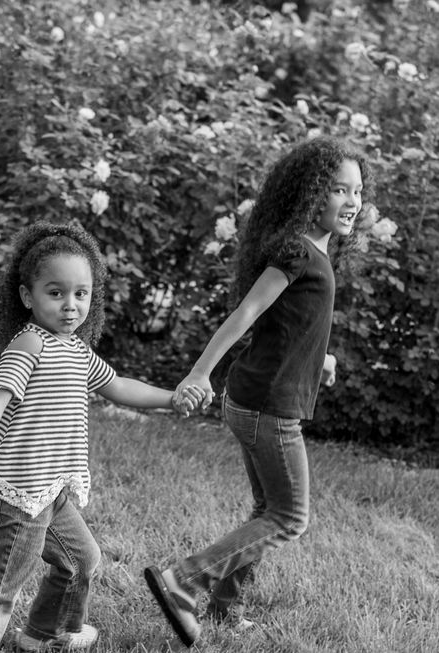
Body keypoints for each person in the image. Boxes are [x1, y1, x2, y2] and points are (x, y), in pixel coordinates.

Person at [143, 136, 374, 648]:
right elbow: (247, 313)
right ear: (310, 193)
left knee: (268, 506)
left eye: (357, 191)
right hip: (268, 408)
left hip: (255, 399)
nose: (352, 201)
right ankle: (185, 580)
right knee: (289, 518)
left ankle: (226, 607)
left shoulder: (314, 252)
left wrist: (323, 359)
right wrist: (199, 373)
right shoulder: (296, 250)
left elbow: (293, 324)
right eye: (339, 189)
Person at [0, 221, 204, 653]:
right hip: (19, 492)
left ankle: (42, 634)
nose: (70, 305)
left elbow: (118, 386)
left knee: (81, 561)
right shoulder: (30, 344)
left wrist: (171, 399)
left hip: (50, 488)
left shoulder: (77, 350)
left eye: (81, 294)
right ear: (28, 296)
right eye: (56, 293)